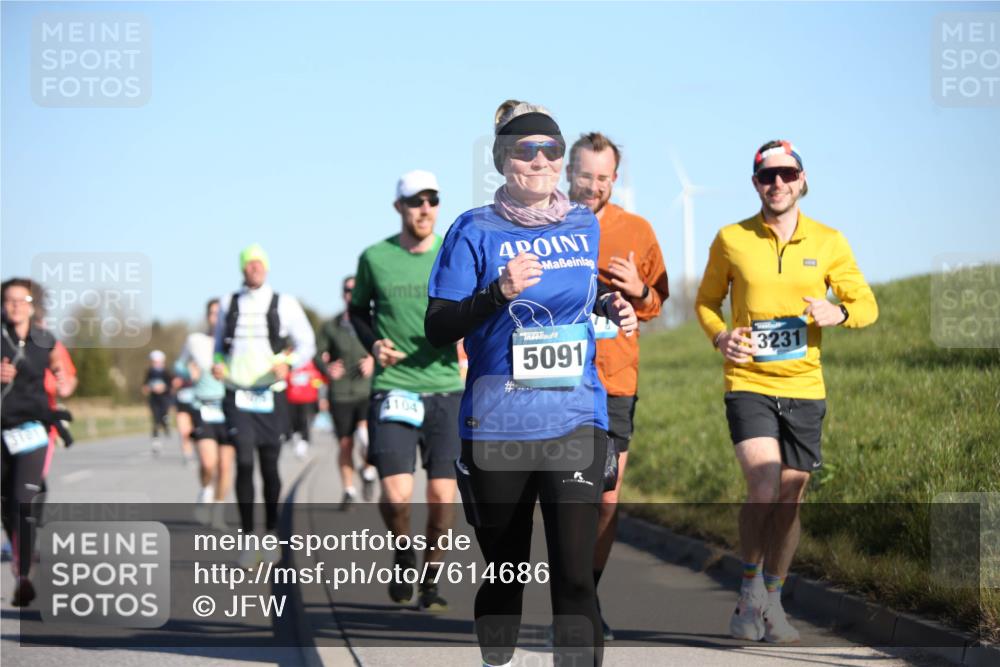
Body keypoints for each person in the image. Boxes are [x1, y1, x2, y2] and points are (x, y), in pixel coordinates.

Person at [425, 100, 638, 667]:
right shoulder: (473, 229)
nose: (541, 160)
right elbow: (438, 325)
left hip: (576, 418)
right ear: (503, 160)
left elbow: (578, 292)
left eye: (552, 149)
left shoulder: (583, 224)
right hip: (499, 425)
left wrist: (610, 304)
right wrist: (497, 292)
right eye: (527, 150)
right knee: (506, 575)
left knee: (574, 576)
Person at [695, 140, 878, 643]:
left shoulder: (830, 241)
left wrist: (838, 311)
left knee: (791, 498)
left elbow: (866, 304)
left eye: (786, 174)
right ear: (755, 184)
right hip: (748, 382)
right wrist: (720, 336)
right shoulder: (731, 238)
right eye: (766, 176)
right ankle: (748, 590)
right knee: (763, 486)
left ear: (802, 180)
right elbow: (707, 302)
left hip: (804, 386)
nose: (777, 183)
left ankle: (772, 600)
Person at [567, 132, 670, 641]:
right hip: (557, 380)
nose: (594, 186)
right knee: (566, 500)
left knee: (605, 499)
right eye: (586, 176)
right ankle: (566, 599)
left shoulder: (637, 230)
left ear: (615, 178)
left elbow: (655, 303)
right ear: (569, 172)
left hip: (614, 383)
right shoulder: (547, 222)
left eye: (603, 178)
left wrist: (639, 290)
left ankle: (585, 598)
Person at [349, 170, 464, 611]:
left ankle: (430, 579)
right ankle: (402, 551)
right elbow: (358, 311)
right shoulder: (374, 257)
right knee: (397, 495)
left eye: (433, 200)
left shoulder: (454, 254)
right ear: (399, 206)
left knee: (441, 498)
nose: (425, 209)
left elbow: (476, 308)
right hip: (394, 387)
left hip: (446, 389)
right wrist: (374, 344)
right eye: (416, 201)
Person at [212, 244, 315, 566]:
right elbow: (218, 347)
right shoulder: (229, 303)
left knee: (270, 467)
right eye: (249, 264)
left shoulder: (284, 303)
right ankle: (247, 540)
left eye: (259, 263)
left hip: (271, 394)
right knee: (243, 462)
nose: (254, 268)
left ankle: (270, 533)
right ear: (242, 269)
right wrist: (218, 365)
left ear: (266, 268)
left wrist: (290, 363)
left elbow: (307, 343)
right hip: (237, 393)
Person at [1, 278, 74, 606]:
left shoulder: (45, 339)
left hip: (33, 429)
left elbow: (64, 374)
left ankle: (23, 576)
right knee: (6, 504)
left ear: (32, 306)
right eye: (9, 300)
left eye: (22, 300)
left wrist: (63, 381)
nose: (16, 305)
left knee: (23, 500)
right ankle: (21, 556)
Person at [315, 275, 377, 508]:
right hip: (340, 394)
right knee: (345, 444)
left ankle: (368, 471)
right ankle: (349, 490)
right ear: (343, 294)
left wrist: (373, 360)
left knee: (366, 437)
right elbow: (316, 354)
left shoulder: (375, 321)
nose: (351, 294)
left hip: (366, 391)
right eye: (348, 290)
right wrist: (327, 368)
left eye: (355, 290)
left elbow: (388, 347)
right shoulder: (331, 326)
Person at [177, 298, 233, 528]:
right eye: (213, 313)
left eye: (221, 314)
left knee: (225, 466)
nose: (216, 318)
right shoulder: (195, 341)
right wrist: (187, 371)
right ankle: (205, 489)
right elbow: (178, 365)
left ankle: (218, 513)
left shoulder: (233, 343)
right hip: (204, 406)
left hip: (228, 407)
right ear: (207, 317)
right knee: (209, 463)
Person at [286, 359, 325, 459]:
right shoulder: (290, 360)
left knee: (305, 421)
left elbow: (319, 382)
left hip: (308, 399)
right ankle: (296, 439)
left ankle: (303, 443)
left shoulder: (312, 363)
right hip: (291, 398)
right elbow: (284, 378)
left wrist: (313, 378)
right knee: (293, 422)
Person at [142, 350, 173, 456]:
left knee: (164, 416)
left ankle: (166, 424)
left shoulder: (166, 372)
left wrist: (163, 388)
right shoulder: (149, 372)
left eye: (157, 362)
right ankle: (156, 443)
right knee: (155, 420)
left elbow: (171, 386)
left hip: (164, 398)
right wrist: (147, 388)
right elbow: (145, 384)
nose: (155, 364)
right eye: (154, 362)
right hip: (154, 399)